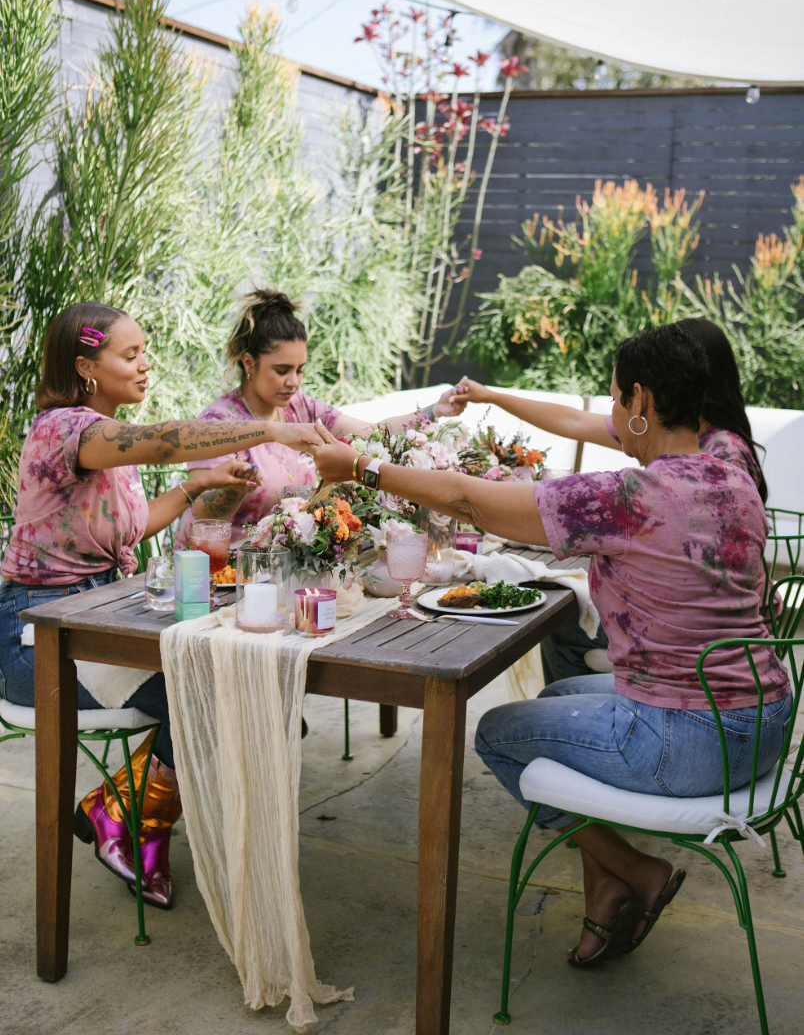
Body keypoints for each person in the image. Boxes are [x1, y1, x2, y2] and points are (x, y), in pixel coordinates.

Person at [310, 324, 791, 967]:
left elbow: (465, 499)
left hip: (689, 740)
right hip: (765, 718)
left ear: (643, 402)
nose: (614, 412)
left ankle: (636, 872)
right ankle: (607, 885)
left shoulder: (628, 496)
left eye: (617, 397)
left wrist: (364, 467)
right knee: (560, 691)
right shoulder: (732, 468)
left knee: (496, 733)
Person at [0, 302, 322, 908]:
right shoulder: (65, 429)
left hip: (100, 621)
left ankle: (118, 808)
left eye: (145, 351)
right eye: (130, 355)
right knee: (227, 692)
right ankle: (128, 817)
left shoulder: (105, 444)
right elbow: (160, 441)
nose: (146, 366)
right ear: (85, 367)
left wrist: (195, 487)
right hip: (38, 642)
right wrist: (271, 429)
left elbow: (133, 525)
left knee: (249, 686)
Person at [448, 316, 769, 683]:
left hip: (703, 641)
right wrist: (491, 396)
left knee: (568, 621)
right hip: (699, 631)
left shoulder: (718, 452)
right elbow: (573, 421)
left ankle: (582, 716)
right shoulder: (670, 429)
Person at [174, 288, 463, 548]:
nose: (293, 382)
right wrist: (233, 490)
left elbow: (369, 432)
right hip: (220, 572)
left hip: (282, 565)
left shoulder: (301, 408)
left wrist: (433, 411)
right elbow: (202, 514)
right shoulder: (217, 422)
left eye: (299, 370)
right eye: (282, 370)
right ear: (249, 363)